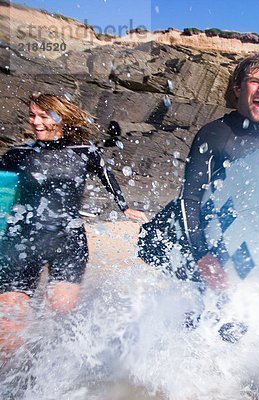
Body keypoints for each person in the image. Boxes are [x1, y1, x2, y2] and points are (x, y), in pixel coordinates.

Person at [0, 93, 148, 359]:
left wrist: (124, 207)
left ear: (60, 118)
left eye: (43, 116)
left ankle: (51, 372)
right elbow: (2, 192)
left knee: (59, 315)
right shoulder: (17, 155)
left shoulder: (85, 153)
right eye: (33, 115)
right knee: (8, 323)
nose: (36, 122)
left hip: (67, 243)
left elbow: (107, 176)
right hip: (20, 243)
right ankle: (12, 381)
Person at [177, 54, 259, 291]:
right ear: (238, 89)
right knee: (218, 319)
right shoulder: (215, 134)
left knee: (258, 316)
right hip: (218, 245)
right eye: (255, 82)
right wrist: (202, 256)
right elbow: (189, 199)